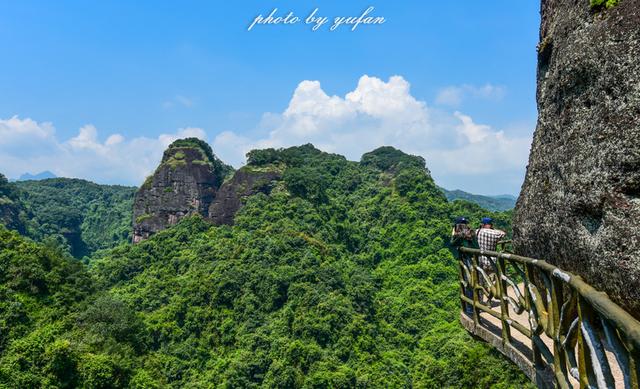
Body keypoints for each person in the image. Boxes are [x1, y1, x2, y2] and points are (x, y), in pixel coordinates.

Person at [451, 217, 477, 315]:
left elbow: (452, 243)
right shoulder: (471, 232)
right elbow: (476, 246)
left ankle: (470, 309)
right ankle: (476, 306)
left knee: (468, 284)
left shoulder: (460, 235)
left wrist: (454, 234)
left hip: (467, 261)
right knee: (475, 283)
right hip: (475, 260)